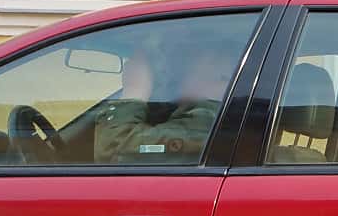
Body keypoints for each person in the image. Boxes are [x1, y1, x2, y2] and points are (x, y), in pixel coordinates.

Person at [93, 35, 239, 164]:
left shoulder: (205, 121)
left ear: (223, 76)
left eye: (189, 61)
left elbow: (115, 152)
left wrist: (135, 89)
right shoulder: (185, 112)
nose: (177, 68)